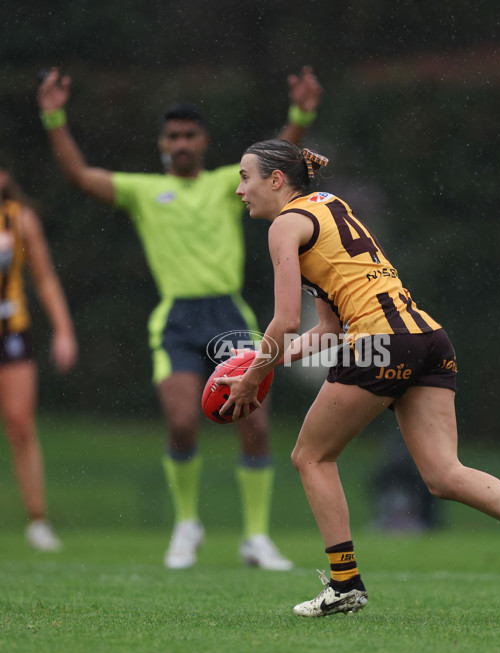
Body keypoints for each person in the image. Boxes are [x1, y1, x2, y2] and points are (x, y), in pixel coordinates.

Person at [218, 138, 500, 616]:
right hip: (427, 339)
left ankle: (345, 584)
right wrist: (262, 363)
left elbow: (285, 321)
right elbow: (326, 328)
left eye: (246, 177)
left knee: (311, 456)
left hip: (380, 341)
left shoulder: (285, 226)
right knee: (444, 473)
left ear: (277, 180)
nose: (241, 190)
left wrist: (250, 378)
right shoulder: (329, 207)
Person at [37, 67, 322, 570]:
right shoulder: (144, 192)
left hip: (226, 312)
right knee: (181, 420)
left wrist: (300, 112)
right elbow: (80, 176)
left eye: (190, 134)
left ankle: (255, 537)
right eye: (173, 136)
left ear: (203, 141)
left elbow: (283, 154)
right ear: (163, 144)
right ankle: (187, 525)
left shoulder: (224, 185)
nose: (182, 142)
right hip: (177, 318)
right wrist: (54, 115)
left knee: (254, 424)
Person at [0, 159, 78, 551]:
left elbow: (44, 278)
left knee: (20, 424)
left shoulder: (19, 219)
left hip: (11, 332)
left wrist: (63, 330)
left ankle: (37, 520)